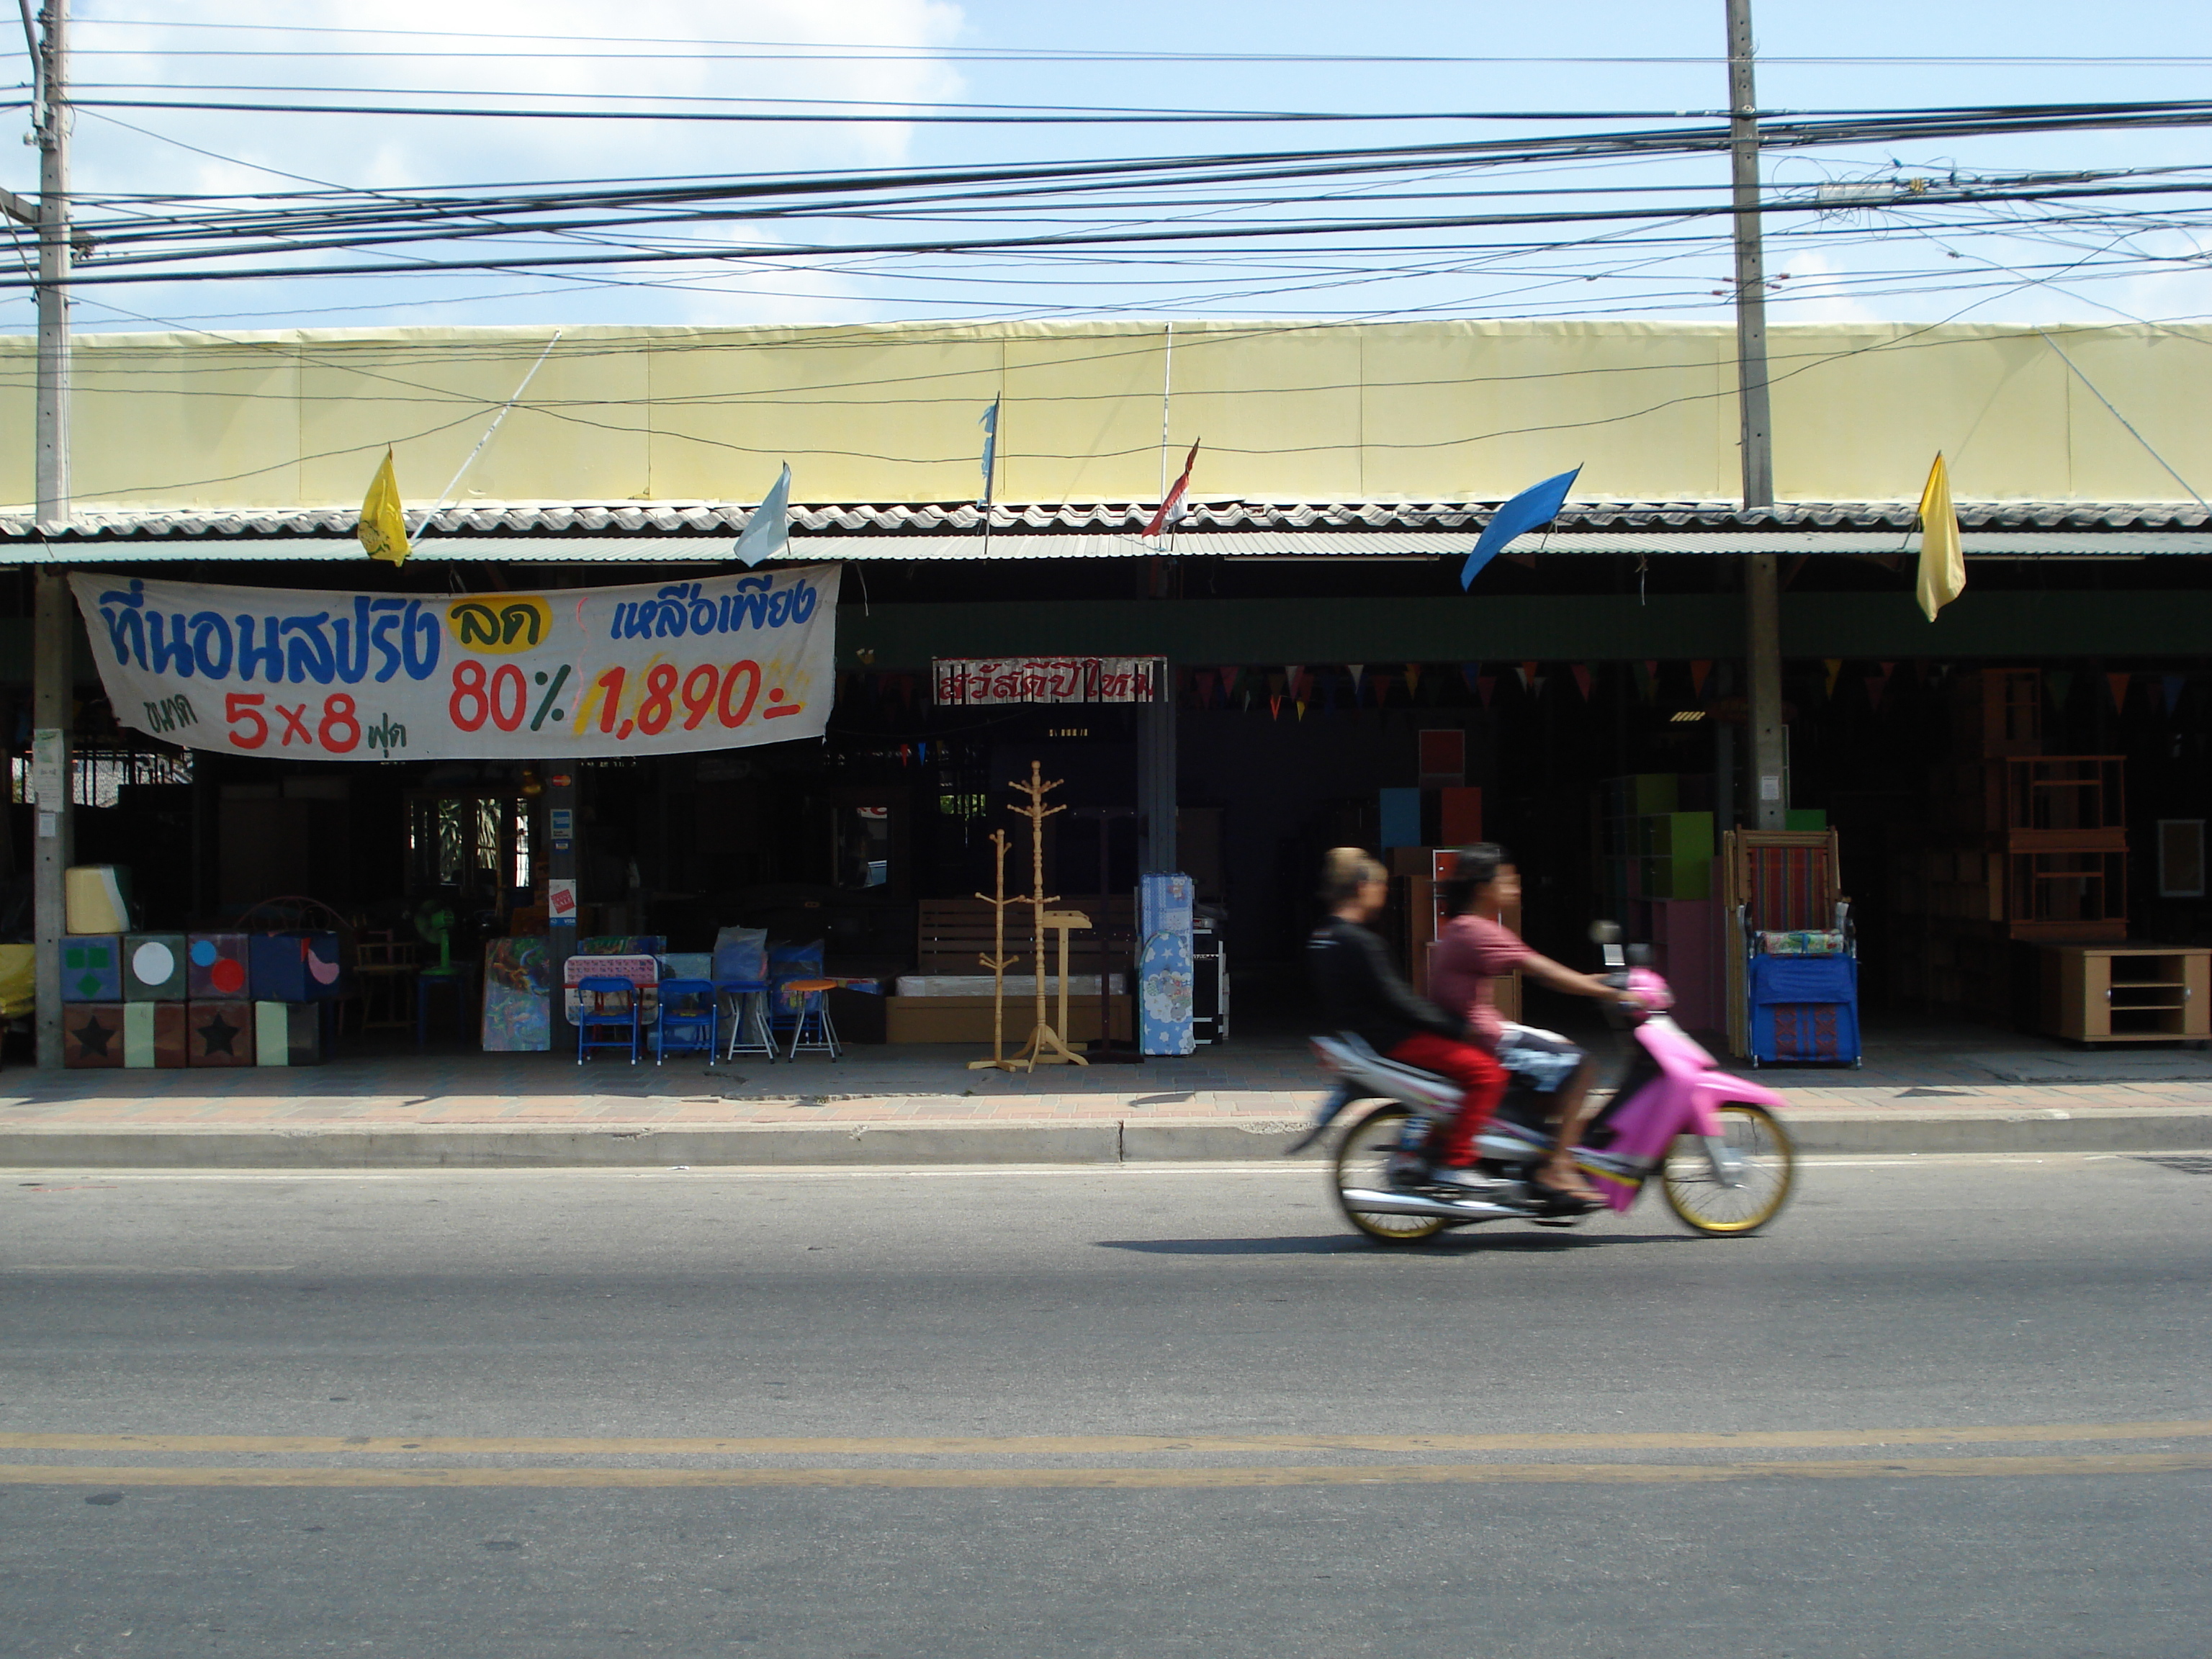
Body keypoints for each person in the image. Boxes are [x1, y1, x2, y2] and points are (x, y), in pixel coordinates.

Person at [1429, 844, 1626, 1205]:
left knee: (1557, 1063)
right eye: (1507, 881)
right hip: (1489, 1040)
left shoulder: (1461, 927)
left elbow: (1549, 971)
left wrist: (1600, 981)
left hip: (1480, 1035)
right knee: (1581, 1065)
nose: (1516, 889)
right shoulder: (1479, 931)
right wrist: (1607, 992)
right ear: (1482, 888)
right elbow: (1545, 973)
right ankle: (1559, 1168)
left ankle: (1535, 1156)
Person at [1306, 848, 1507, 1190]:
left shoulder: (1322, 939)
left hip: (1365, 1040)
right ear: (1361, 886)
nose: (1383, 894)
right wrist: (1456, 1028)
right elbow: (1401, 1003)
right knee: (1487, 1074)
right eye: (1379, 886)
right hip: (1395, 1041)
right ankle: (1456, 1162)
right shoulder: (1361, 942)